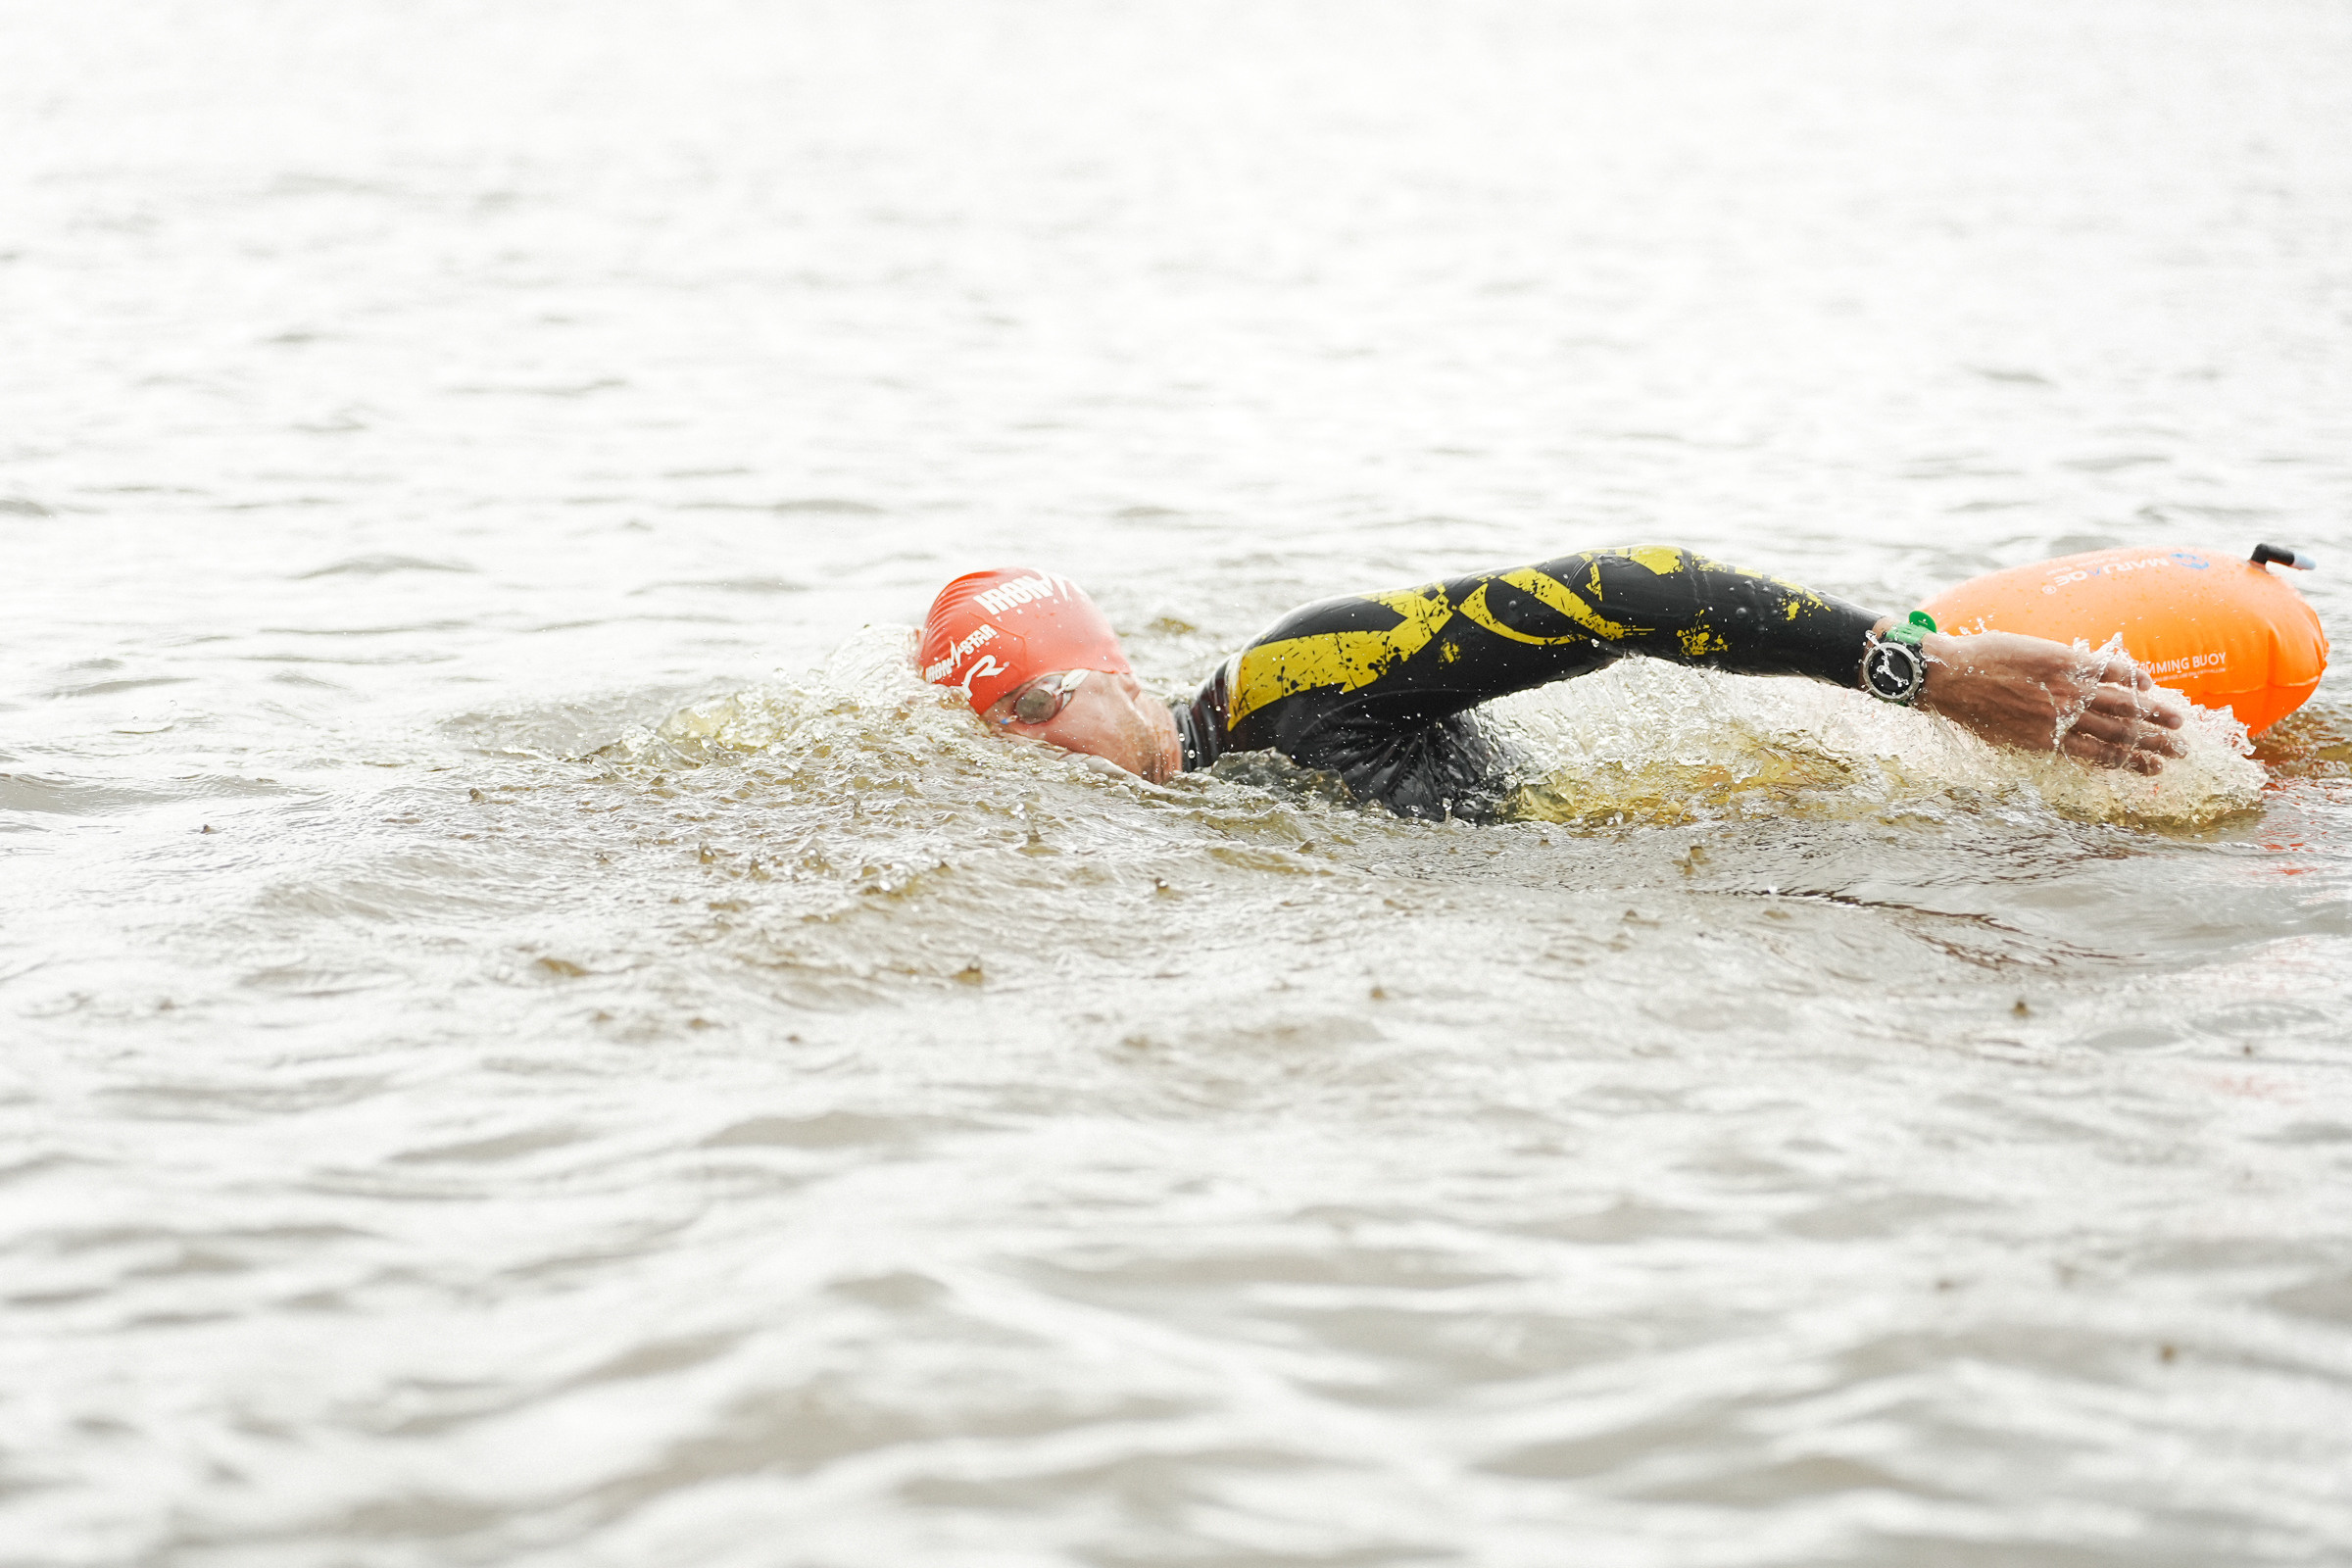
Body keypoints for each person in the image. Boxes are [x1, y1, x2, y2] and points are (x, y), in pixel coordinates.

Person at [916, 548, 2188, 820]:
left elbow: (1629, 589)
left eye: (1040, 706)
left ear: (1117, 673)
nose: (1040, 753)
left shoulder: (1293, 680)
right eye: (1003, 737)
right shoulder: (1184, 804)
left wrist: (1924, 673)